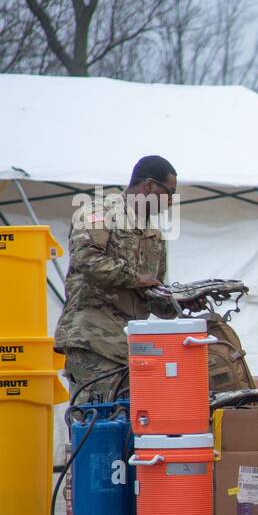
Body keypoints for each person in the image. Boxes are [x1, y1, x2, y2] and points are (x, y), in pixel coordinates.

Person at [55, 155, 176, 403]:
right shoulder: (98, 213)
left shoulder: (154, 233)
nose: (171, 202)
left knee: (128, 420)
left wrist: (178, 303)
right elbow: (87, 260)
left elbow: (152, 290)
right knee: (95, 418)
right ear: (149, 185)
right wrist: (136, 279)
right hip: (93, 341)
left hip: (131, 348)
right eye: (169, 193)